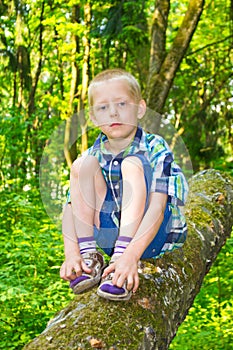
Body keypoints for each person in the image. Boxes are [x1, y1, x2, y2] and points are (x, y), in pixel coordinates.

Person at [60, 68, 189, 301]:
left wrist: (130, 256)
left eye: (121, 104)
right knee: (81, 166)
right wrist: (71, 254)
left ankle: (121, 260)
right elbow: (70, 206)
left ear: (140, 109)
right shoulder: (92, 154)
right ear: (93, 117)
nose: (113, 113)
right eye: (103, 108)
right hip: (110, 233)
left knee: (131, 164)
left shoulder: (155, 147)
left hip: (151, 235)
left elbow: (158, 208)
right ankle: (90, 257)